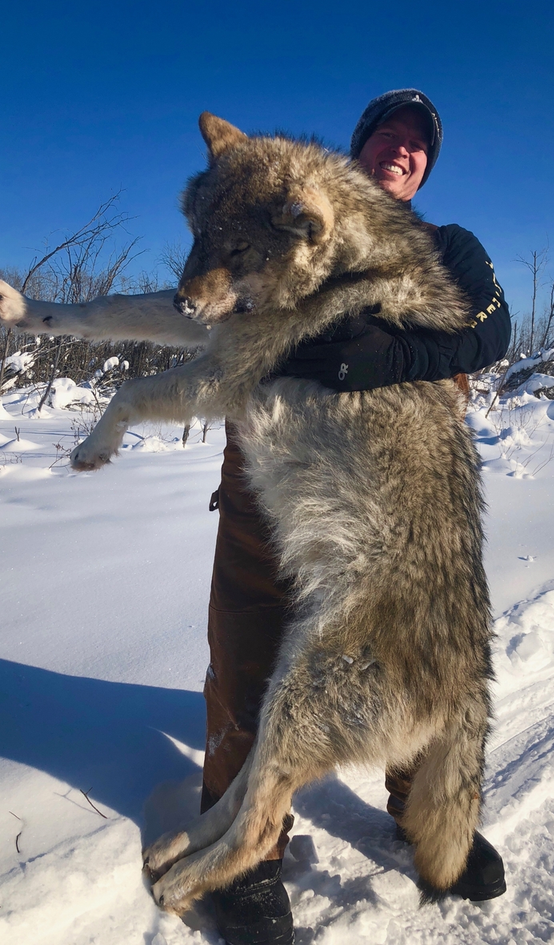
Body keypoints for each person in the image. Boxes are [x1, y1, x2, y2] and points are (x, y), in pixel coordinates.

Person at [202, 89, 511, 945]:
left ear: (424, 169)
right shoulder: (283, 216)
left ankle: (429, 813)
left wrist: (383, 356)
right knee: (252, 643)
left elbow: (490, 331)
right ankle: (248, 849)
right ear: (359, 148)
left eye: (419, 146)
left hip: (398, 486)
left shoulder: (446, 249)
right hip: (275, 464)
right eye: (390, 136)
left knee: (420, 645)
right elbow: (206, 300)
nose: (403, 151)